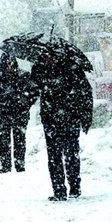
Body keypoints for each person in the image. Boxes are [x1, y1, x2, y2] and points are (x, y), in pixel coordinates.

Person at [31, 50, 93, 201]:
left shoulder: (71, 68)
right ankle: (59, 190)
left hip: (69, 118)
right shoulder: (40, 70)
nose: (47, 58)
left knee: (71, 154)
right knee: (54, 157)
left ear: (57, 55)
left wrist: (85, 116)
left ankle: (74, 187)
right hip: (51, 120)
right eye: (44, 56)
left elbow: (85, 92)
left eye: (50, 55)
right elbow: (32, 90)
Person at [0, 53, 38, 174]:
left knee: (19, 140)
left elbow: (34, 92)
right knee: (4, 141)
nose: (9, 66)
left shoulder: (24, 76)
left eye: (11, 63)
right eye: (6, 63)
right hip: (3, 114)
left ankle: (19, 164)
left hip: (19, 114)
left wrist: (25, 103)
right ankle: (6, 165)